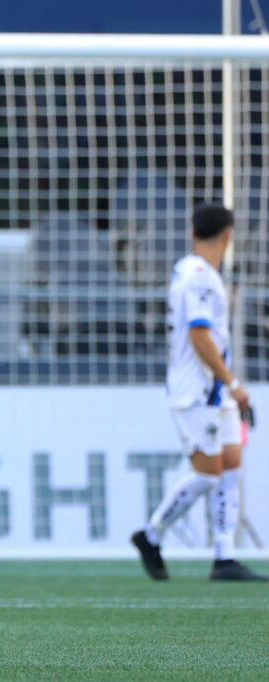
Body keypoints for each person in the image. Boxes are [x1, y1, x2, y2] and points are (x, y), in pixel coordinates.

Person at [131, 204, 266, 582]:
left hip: (215, 391)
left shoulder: (193, 272)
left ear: (193, 231)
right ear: (228, 235)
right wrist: (234, 383)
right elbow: (199, 335)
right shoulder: (200, 277)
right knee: (208, 475)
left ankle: (225, 556)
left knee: (231, 467)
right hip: (198, 390)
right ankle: (151, 534)